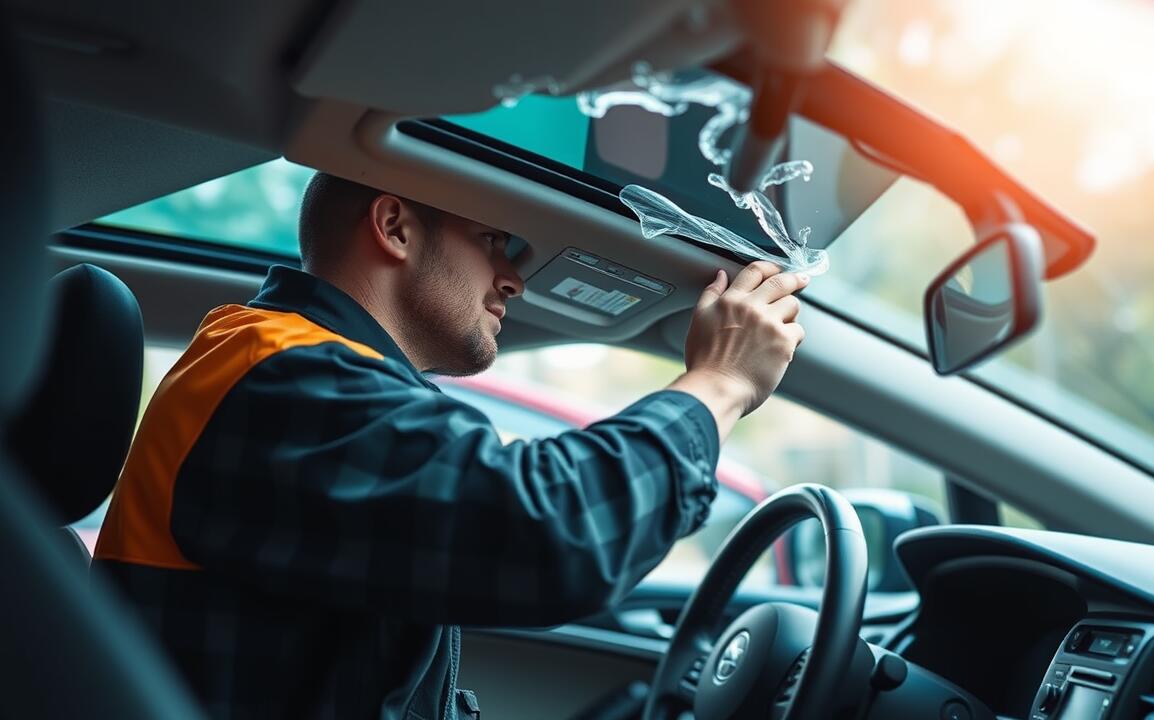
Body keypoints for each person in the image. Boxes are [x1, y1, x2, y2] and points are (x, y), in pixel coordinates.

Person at [93, 172, 809, 719]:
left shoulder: (293, 372)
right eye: (493, 239)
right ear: (395, 226)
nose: (514, 279)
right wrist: (719, 383)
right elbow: (553, 531)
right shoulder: (277, 376)